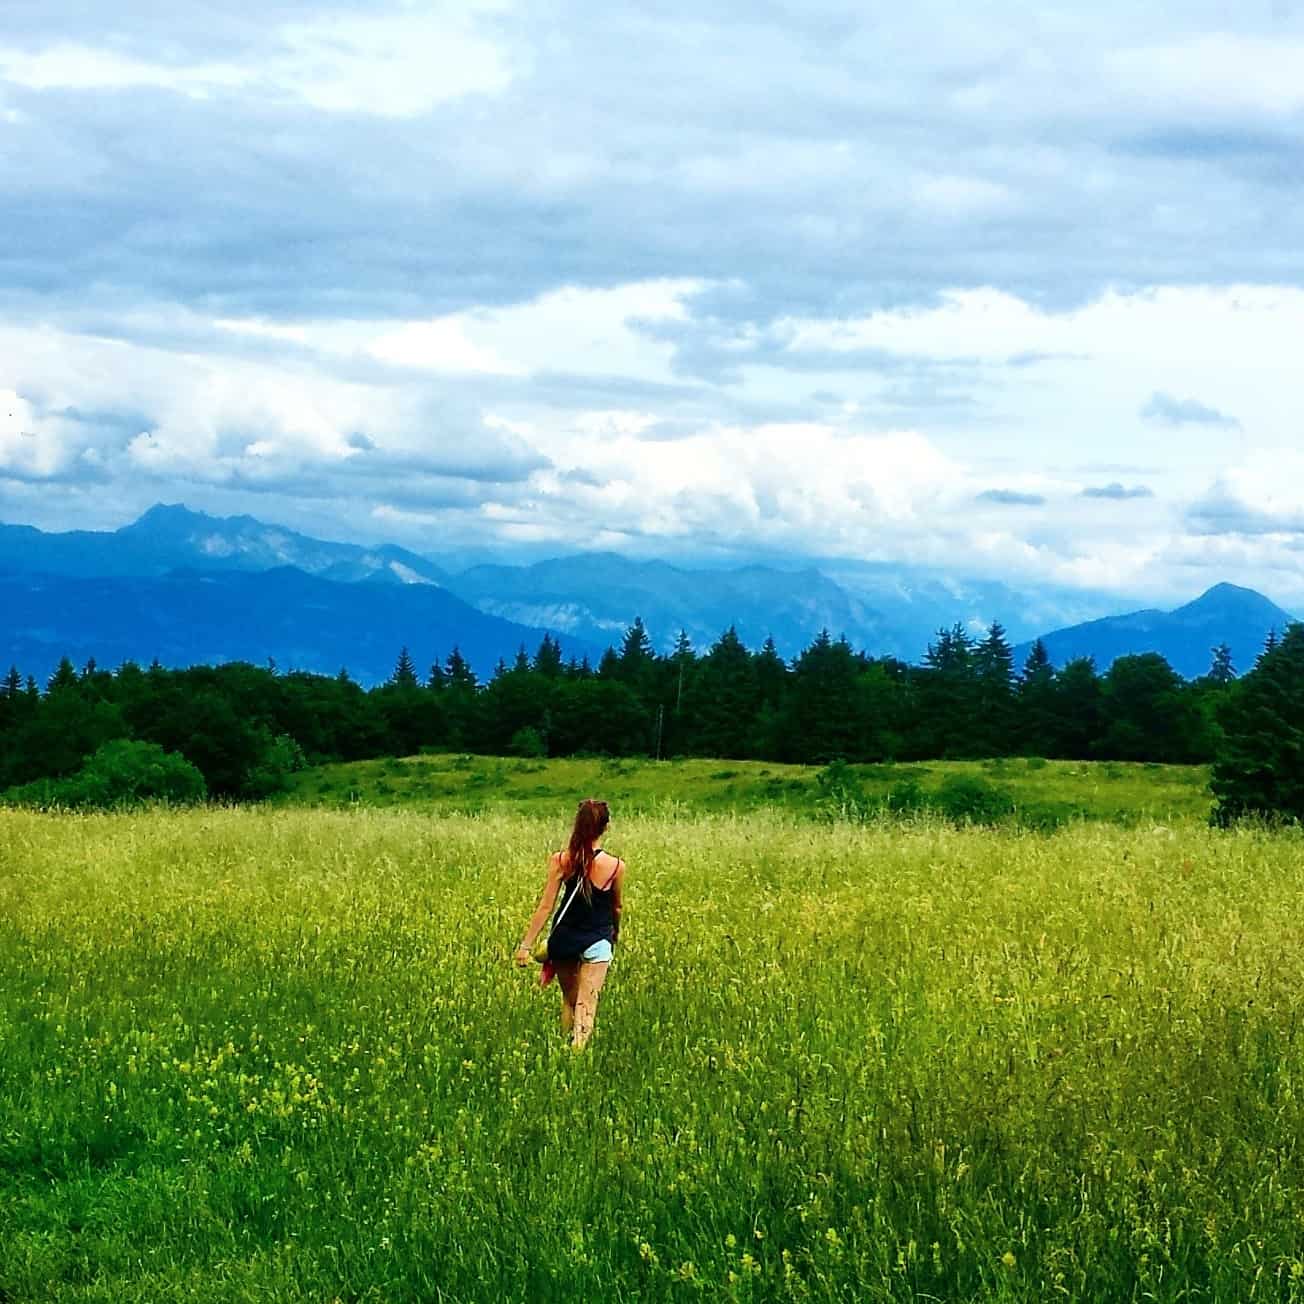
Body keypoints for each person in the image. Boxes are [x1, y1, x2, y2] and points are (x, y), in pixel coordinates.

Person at [515, 798, 624, 1049]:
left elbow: (546, 906)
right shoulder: (616, 866)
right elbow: (616, 906)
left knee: (570, 1000)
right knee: (587, 1006)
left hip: (563, 940)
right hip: (597, 940)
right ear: (605, 827)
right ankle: (576, 1057)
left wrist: (525, 945)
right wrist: (614, 933)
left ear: (577, 825)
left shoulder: (561, 860)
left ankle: (562, 1049)